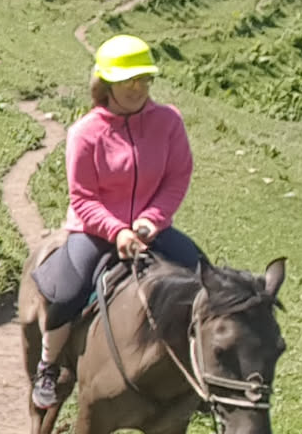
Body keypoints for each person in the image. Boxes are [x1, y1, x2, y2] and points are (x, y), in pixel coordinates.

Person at [28, 34, 205, 410]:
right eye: (128, 80)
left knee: (208, 283)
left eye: (144, 79)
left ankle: (201, 371)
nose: (137, 88)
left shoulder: (169, 122)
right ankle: (48, 366)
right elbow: (83, 197)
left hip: (151, 230)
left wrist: (150, 221)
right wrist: (117, 231)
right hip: (94, 231)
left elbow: (177, 178)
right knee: (66, 293)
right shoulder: (85, 133)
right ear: (106, 83)